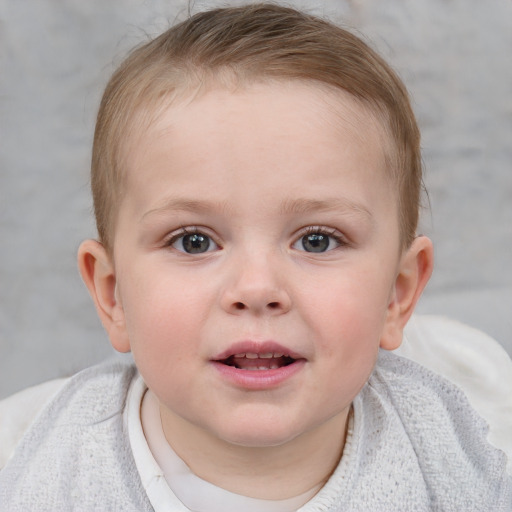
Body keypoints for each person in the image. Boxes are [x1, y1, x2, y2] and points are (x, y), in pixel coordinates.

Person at [0, 4, 510, 510]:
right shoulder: (42, 469)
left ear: (397, 295)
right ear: (113, 295)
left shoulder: (452, 457)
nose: (257, 288)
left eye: (317, 240)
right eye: (193, 241)